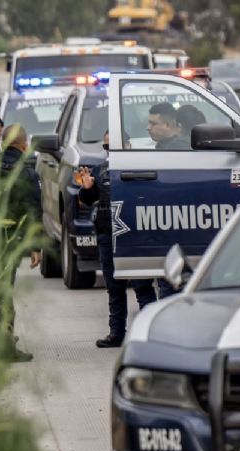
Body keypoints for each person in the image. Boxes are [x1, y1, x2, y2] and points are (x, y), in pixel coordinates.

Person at [75, 132, 158, 348]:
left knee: (142, 286)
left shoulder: (139, 167)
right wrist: (87, 188)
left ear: (128, 145)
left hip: (134, 234)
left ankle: (151, 335)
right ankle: (116, 333)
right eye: (106, 147)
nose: (109, 152)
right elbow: (87, 201)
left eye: (113, 146)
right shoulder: (101, 169)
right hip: (107, 233)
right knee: (114, 287)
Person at [0, 124, 45, 361]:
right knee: (5, 294)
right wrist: (35, 246)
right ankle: (5, 349)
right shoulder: (26, 173)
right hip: (10, 242)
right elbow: (33, 211)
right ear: (24, 145)